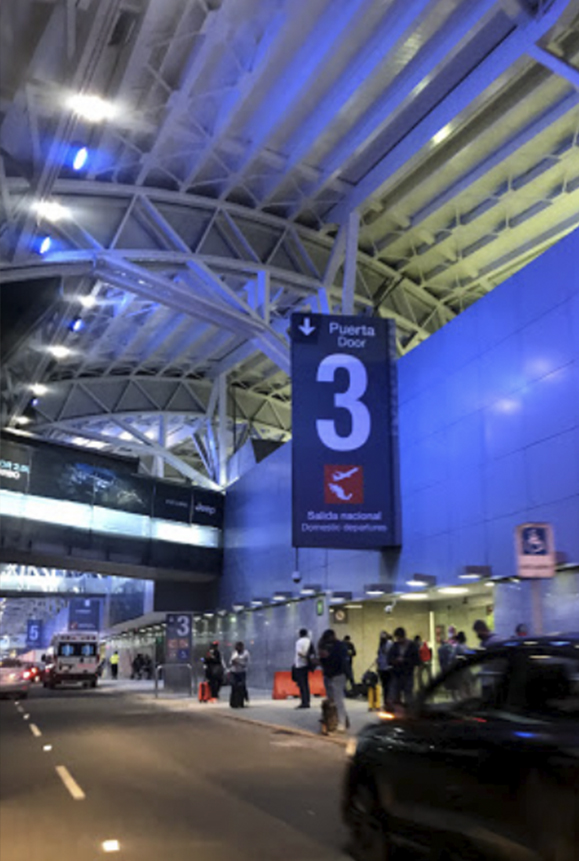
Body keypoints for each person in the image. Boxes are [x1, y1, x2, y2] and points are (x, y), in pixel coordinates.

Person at [317, 629, 349, 732]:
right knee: (331, 700)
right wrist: (321, 659)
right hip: (328, 675)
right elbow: (323, 660)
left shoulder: (340, 646)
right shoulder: (325, 645)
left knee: (338, 700)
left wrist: (327, 657)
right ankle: (333, 720)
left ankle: (342, 723)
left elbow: (340, 661)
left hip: (338, 675)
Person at [388, 627, 419, 706]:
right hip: (397, 674)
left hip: (408, 673)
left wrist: (405, 660)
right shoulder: (395, 646)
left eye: (399, 638)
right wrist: (395, 661)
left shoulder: (412, 646)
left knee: (408, 694)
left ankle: (409, 709)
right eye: (397, 638)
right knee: (394, 694)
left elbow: (417, 660)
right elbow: (389, 659)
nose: (398, 640)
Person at [294, 628, 313, 709]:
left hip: (300, 665)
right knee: (306, 683)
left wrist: (304, 657)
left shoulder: (299, 642)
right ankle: (307, 700)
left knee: (302, 684)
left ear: (300, 634)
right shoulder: (309, 641)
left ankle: (304, 702)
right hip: (307, 665)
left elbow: (299, 653)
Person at [229, 641, 250, 708]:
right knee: (234, 687)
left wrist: (239, 663)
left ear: (242, 647)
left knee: (241, 687)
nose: (237, 648)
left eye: (238, 647)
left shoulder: (246, 653)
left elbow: (247, 664)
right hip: (234, 672)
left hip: (241, 672)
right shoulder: (234, 653)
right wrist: (233, 662)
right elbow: (230, 662)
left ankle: (241, 702)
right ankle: (233, 703)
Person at [376, 631, 392, 707]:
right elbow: (379, 655)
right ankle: (386, 703)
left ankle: (389, 703)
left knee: (389, 687)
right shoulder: (381, 644)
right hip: (382, 668)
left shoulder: (389, 644)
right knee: (384, 687)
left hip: (388, 668)